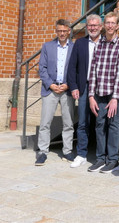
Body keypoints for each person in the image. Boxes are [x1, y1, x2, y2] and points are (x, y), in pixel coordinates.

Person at [87, 11, 119, 173]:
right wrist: (91, 95)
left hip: (114, 93)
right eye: (108, 23)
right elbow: (93, 71)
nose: (110, 25)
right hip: (99, 92)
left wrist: (115, 98)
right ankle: (100, 158)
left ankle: (113, 159)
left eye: (113, 23)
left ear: (117, 26)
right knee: (99, 125)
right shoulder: (99, 44)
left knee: (113, 125)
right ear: (104, 25)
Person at [35, 19, 75, 166]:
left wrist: (68, 85)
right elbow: (42, 68)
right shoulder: (47, 46)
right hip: (50, 89)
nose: (62, 33)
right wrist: (51, 85)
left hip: (67, 89)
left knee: (68, 122)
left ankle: (67, 151)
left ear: (69, 31)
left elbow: (76, 69)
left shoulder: (74, 47)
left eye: (65, 31)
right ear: (56, 31)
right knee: (45, 122)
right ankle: (42, 152)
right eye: (59, 31)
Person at [66, 14, 102, 168]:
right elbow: (72, 67)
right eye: (90, 25)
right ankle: (81, 154)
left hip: (102, 87)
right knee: (82, 122)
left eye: (95, 25)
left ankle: (102, 156)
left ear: (101, 27)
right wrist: (73, 86)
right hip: (84, 87)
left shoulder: (106, 42)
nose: (92, 28)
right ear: (87, 27)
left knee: (102, 122)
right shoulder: (79, 43)